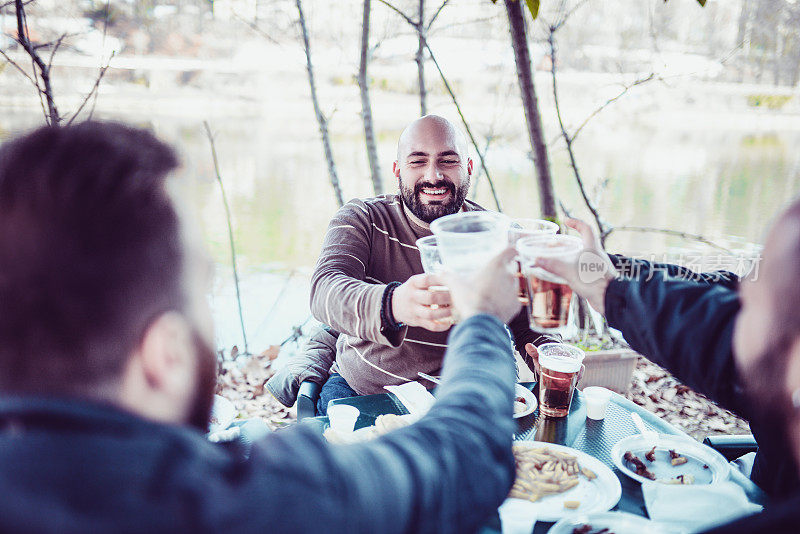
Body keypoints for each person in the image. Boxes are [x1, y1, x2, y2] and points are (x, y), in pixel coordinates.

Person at [0, 121, 527, 532]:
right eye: (201, 291)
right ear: (166, 353)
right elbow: (467, 457)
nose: (434, 174)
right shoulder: (253, 507)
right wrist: (481, 318)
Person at [533, 212, 800, 529]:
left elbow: (725, 334)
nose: (742, 330)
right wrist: (607, 270)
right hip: (767, 478)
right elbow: (719, 293)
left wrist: (610, 290)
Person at [306, 114, 555, 413]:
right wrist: (395, 304)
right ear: (398, 169)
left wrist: (548, 354)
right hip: (366, 393)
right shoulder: (363, 219)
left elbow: (529, 323)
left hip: (469, 396)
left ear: (469, 168)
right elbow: (324, 289)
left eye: (448, 161)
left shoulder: (498, 234)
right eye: (418, 161)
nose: (433, 175)